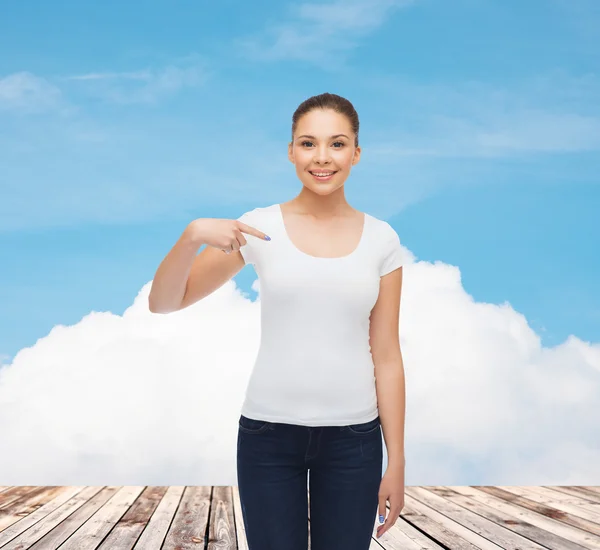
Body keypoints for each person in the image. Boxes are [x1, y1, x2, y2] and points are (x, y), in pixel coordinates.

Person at [148, 92, 406, 549]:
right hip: (268, 438)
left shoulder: (382, 240)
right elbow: (165, 302)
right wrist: (189, 238)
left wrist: (397, 459)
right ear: (291, 151)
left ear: (357, 153)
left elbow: (386, 355)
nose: (322, 157)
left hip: (355, 443)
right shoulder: (258, 229)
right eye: (308, 144)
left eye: (337, 144)